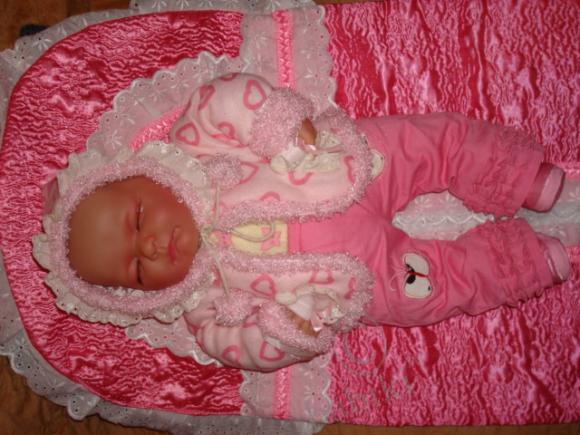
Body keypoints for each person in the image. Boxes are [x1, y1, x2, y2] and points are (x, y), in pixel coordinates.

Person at [35, 73, 570, 372]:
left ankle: (514, 173)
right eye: (135, 270)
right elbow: (243, 349)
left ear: (145, 176)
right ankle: (520, 263)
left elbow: (227, 99)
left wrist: (282, 128)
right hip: (353, 278)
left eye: (138, 219)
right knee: (434, 289)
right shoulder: (204, 306)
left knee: (427, 143)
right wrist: (289, 329)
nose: (151, 247)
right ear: (137, 298)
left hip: (344, 165)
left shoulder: (195, 148)